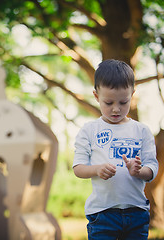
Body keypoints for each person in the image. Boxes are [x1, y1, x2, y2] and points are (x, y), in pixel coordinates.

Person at [73, 59, 159, 240]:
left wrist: (139, 171)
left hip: (136, 212)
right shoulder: (89, 131)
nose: (116, 109)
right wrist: (96, 169)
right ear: (96, 96)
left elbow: (152, 167)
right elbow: (78, 168)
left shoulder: (142, 131)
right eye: (109, 102)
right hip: (103, 213)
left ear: (132, 94)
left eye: (123, 102)